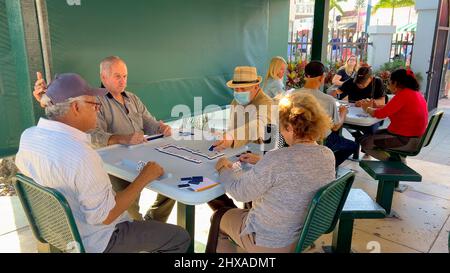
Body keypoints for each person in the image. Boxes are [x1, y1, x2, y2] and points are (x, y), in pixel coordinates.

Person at [16, 73, 190, 253]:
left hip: (58, 231)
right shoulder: (81, 155)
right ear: (76, 107)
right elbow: (106, 216)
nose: (98, 110)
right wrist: (144, 177)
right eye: (94, 105)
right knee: (180, 238)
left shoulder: (28, 136)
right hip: (98, 241)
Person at [32, 56, 174, 223]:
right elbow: (92, 135)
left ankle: (154, 222)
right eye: (117, 76)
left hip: (142, 154)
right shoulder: (92, 102)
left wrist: (160, 127)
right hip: (116, 165)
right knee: (130, 213)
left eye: (125, 76)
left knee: (172, 178)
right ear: (103, 77)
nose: (122, 81)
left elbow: (148, 121)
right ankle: (138, 227)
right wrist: (122, 138)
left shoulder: (132, 98)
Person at [213, 92, 336, 253]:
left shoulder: (276, 159)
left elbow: (240, 192)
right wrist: (262, 162)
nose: (282, 133)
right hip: (304, 235)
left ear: (290, 128)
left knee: (218, 217)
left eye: (282, 128)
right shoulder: (327, 154)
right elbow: (296, 170)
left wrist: (223, 168)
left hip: (270, 242)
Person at [208, 66, 274, 210]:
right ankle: (233, 214)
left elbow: (258, 126)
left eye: (243, 89)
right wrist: (225, 137)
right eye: (236, 89)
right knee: (216, 183)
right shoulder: (236, 102)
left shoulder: (267, 103)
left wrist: (232, 137)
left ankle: (237, 218)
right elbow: (232, 128)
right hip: (239, 155)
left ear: (256, 86)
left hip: (262, 158)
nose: (238, 93)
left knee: (252, 200)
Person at [293, 61, 358, 167]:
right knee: (352, 145)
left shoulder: (292, 95)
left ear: (305, 75)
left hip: (297, 138)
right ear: (322, 77)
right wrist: (343, 113)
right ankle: (328, 166)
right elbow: (336, 126)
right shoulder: (328, 100)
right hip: (321, 141)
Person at [360, 69, 428, 162]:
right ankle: (396, 160)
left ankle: (394, 163)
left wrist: (367, 109)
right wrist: (376, 106)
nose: (388, 85)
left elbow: (380, 114)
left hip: (405, 140)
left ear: (395, 83)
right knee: (370, 135)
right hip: (414, 138)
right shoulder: (415, 94)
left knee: (366, 142)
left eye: (389, 82)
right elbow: (392, 108)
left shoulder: (403, 95)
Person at [333, 66, 386, 143]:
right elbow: (336, 92)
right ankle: (345, 143)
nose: (360, 85)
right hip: (352, 114)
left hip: (371, 115)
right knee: (336, 122)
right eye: (358, 82)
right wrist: (332, 96)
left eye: (363, 83)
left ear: (371, 78)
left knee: (370, 129)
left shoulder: (377, 82)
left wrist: (369, 103)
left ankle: (366, 149)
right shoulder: (351, 81)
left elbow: (382, 101)